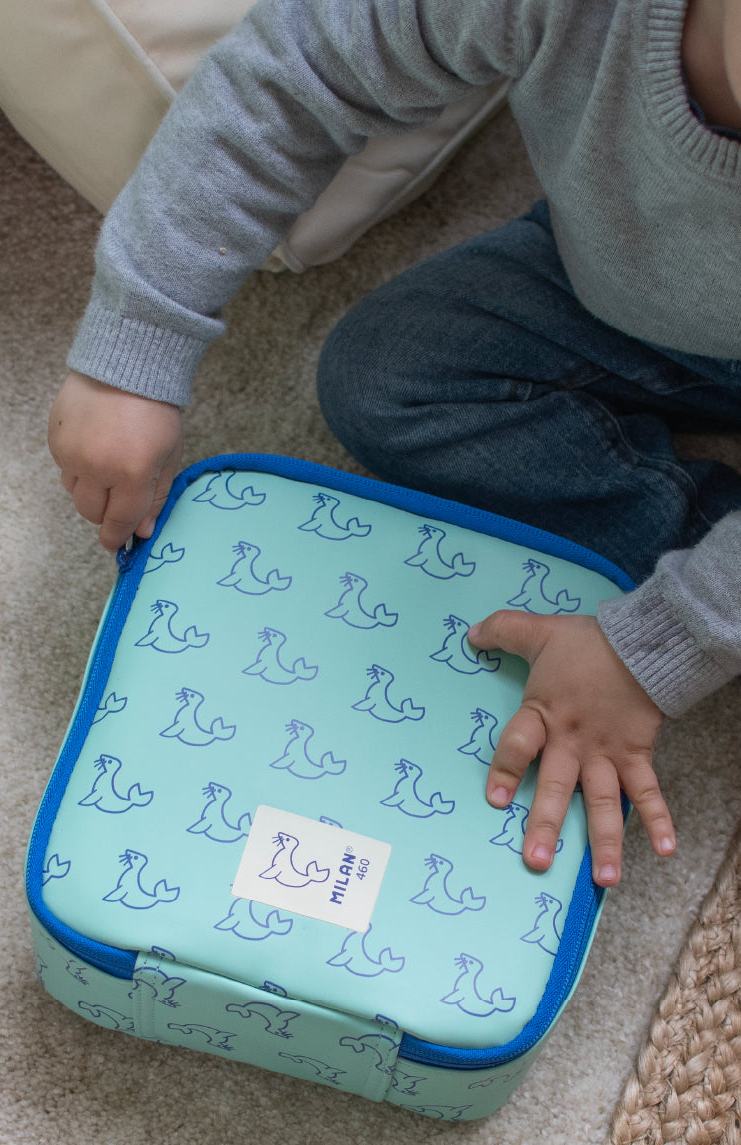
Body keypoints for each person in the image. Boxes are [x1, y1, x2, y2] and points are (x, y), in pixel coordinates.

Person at [47, 0, 741, 888]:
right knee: (381, 376)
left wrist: (659, 644)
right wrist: (134, 344)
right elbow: (302, 65)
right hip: (619, 288)